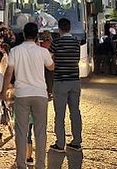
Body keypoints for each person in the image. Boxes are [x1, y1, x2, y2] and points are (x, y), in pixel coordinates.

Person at [1, 22, 54, 169]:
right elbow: (51, 66)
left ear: (24, 34)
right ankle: (40, 164)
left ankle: (21, 164)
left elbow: (8, 73)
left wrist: (3, 91)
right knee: (40, 131)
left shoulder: (15, 51)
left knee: (21, 131)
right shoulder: (42, 52)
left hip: (22, 94)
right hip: (40, 94)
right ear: (36, 35)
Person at [49, 18, 83, 154]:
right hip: (75, 81)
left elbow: (49, 59)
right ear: (70, 28)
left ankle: (60, 143)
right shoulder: (76, 43)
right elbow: (77, 59)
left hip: (60, 81)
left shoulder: (56, 43)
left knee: (60, 114)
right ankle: (76, 141)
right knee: (75, 111)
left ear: (59, 29)